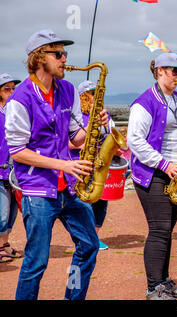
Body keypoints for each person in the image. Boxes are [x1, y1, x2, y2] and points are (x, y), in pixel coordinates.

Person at [5, 29, 109, 300]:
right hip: (39, 191)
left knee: (88, 247)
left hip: (70, 188)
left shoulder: (68, 89)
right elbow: (17, 152)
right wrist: (62, 165)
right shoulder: (20, 99)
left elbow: (75, 137)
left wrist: (94, 125)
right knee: (36, 262)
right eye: (59, 53)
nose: (65, 59)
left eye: (65, 53)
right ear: (40, 58)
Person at [127, 52, 177, 300]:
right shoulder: (144, 103)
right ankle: (153, 287)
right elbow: (135, 141)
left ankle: (164, 281)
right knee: (159, 229)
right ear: (160, 71)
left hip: (176, 172)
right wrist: (165, 164)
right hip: (153, 173)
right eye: (175, 71)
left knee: (166, 231)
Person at [69, 80, 117, 251]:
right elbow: (65, 142)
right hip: (82, 162)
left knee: (102, 200)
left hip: (100, 162)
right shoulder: (75, 116)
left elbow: (114, 136)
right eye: (91, 92)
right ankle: (86, 236)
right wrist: (83, 144)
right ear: (83, 96)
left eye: (97, 92)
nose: (95, 95)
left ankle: (95, 236)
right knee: (86, 202)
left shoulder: (104, 115)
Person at [0, 73, 21, 263]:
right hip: (0, 171)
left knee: (12, 212)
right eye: (7, 88)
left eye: (14, 88)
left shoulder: (16, 112)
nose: (12, 92)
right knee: (2, 213)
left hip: (15, 172)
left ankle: (5, 245)